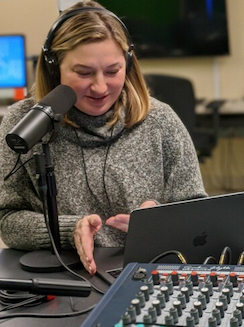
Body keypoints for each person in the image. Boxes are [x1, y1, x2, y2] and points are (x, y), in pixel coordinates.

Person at [0, 1, 207, 274]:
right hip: (61, 277)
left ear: (129, 64)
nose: (99, 87)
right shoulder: (24, 124)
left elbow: (200, 215)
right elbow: (8, 220)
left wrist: (160, 220)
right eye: (84, 73)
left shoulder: (160, 121)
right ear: (54, 68)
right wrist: (69, 229)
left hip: (146, 275)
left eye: (113, 71)